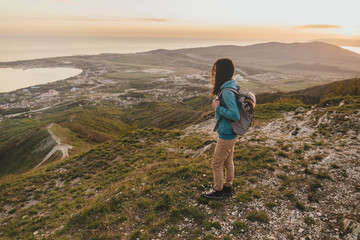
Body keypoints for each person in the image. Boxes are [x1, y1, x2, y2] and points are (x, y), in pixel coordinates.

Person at [202, 58, 240, 200]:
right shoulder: (231, 85)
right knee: (228, 162)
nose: (214, 73)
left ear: (221, 72)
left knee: (216, 163)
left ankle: (218, 190)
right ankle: (228, 187)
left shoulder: (226, 92)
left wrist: (218, 107)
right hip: (231, 132)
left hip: (226, 134)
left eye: (216, 70)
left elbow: (235, 115)